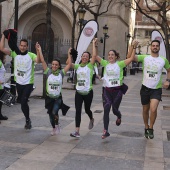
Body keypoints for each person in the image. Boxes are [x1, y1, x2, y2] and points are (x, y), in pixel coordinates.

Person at [95, 40, 138, 139]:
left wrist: (134, 47)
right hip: (106, 90)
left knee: (114, 110)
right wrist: (95, 45)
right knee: (106, 108)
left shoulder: (120, 64)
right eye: (109, 55)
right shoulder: (105, 63)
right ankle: (105, 131)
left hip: (117, 91)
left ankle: (119, 116)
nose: (110, 56)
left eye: (112, 55)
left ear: (116, 56)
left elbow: (131, 58)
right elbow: (95, 56)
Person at [0, 34, 40, 129]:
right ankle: (28, 119)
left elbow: (38, 60)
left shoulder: (31, 55)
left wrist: (38, 50)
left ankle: (27, 120)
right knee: (22, 103)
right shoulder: (15, 53)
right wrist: (3, 35)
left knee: (24, 101)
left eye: (24, 46)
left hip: (28, 83)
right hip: (19, 83)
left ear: (27, 47)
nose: (22, 47)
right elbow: (1, 48)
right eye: (21, 45)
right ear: (19, 46)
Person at [131, 39, 170, 139]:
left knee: (153, 109)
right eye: (153, 45)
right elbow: (130, 58)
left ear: (159, 47)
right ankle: (146, 126)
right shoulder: (145, 58)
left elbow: (169, 70)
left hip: (156, 89)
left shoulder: (163, 60)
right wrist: (133, 47)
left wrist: (168, 80)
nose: (155, 47)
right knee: (145, 109)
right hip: (145, 88)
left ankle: (151, 128)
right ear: (151, 47)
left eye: (157, 45)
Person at [36, 44, 72, 135]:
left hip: (57, 98)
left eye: (56, 65)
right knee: (50, 115)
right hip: (49, 98)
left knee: (54, 112)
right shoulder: (48, 72)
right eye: (53, 64)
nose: (54, 66)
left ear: (59, 66)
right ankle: (54, 127)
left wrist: (69, 54)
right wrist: (39, 50)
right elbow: (43, 61)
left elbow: (69, 64)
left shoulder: (61, 73)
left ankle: (57, 125)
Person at [70, 38, 97, 138]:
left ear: (89, 58)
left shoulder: (90, 66)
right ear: (81, 57)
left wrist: (94, 44)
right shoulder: (77, 66)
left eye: (87, 56)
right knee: (78, 110)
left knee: (87, 109)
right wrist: (69, 54)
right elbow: (69, 64)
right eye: (83, 56)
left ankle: (91, 118)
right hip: (78, 92)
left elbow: (94, 56)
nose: (85, 57)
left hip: (88, 92)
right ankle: (77, 131)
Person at [0, 51, 8, 121]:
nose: (5, 58)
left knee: (0, 102)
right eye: (5, 56)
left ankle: (0, 115)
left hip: (1, 86)